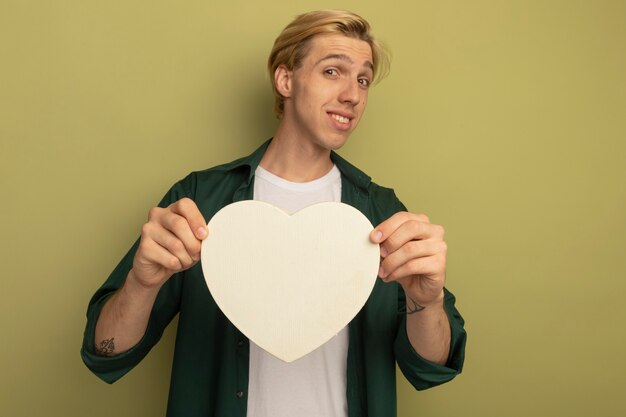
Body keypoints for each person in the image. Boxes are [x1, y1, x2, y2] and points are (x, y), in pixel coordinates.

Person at [81, 9, 466, 417]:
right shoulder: (200, 203)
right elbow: (106, 352)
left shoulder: (381, 213)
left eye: (364, 79)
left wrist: (427, 300)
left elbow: (433, 366)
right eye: (333, 71)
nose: (353, 94)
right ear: (286, 80)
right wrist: (141, 285)